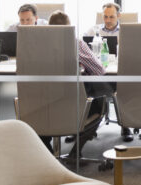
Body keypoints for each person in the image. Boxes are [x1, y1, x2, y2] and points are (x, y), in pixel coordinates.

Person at [47, 11, 112, 152]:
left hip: (42, 106)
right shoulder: (75, 43)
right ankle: (75, 152)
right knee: (102, 102)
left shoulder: (35, 45)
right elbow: (99, 70)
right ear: (69, 27)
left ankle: (46, 149)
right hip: (72, 105)